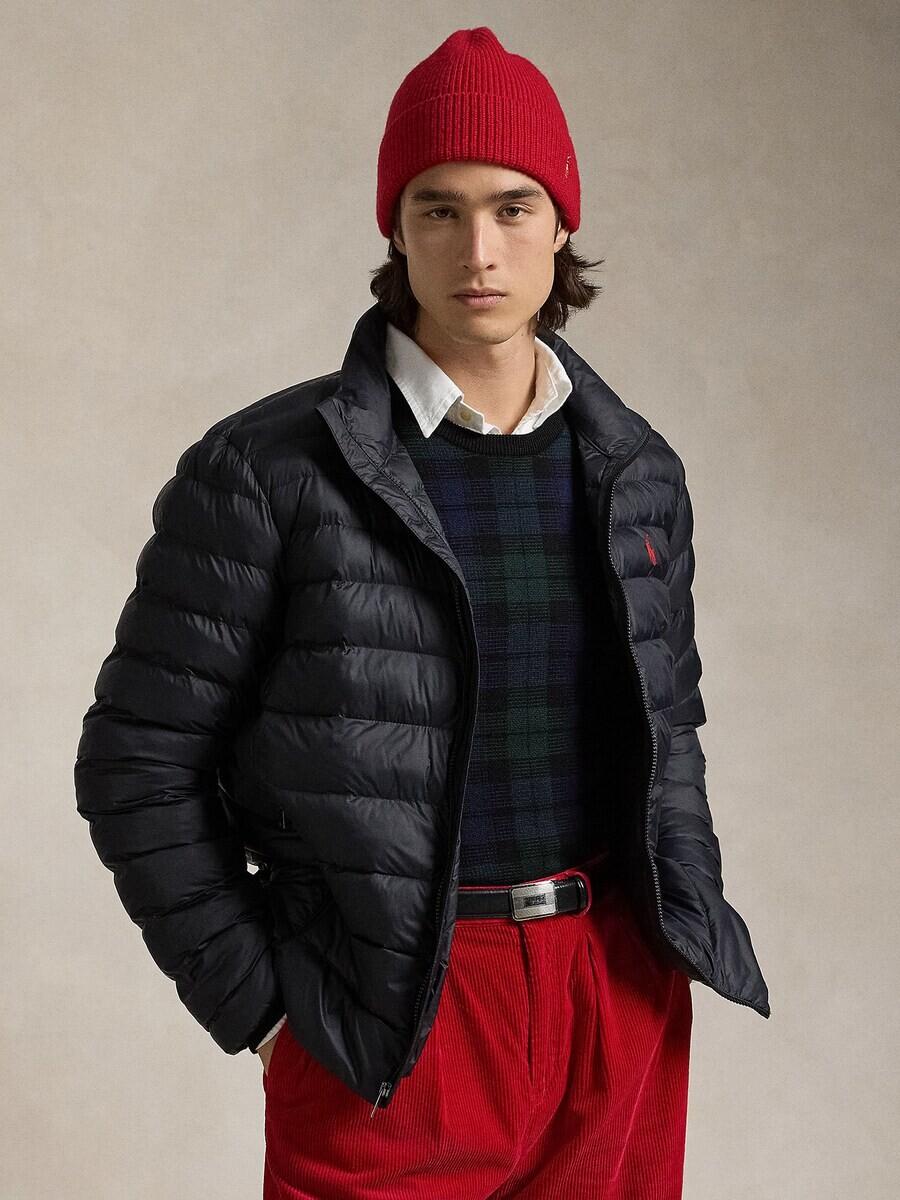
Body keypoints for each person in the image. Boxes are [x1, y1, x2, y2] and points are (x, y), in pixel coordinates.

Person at [74, 25, 770, 1199]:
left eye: (512, 208)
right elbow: (136, 760)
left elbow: (673, 732)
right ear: (395, 231)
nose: (478, 250)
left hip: (614, 993)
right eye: (439, 210)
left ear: (563, 226)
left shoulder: (636, 471)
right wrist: (267, 1011)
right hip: (393, 1012)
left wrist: (673, 938)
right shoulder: (266, 472)